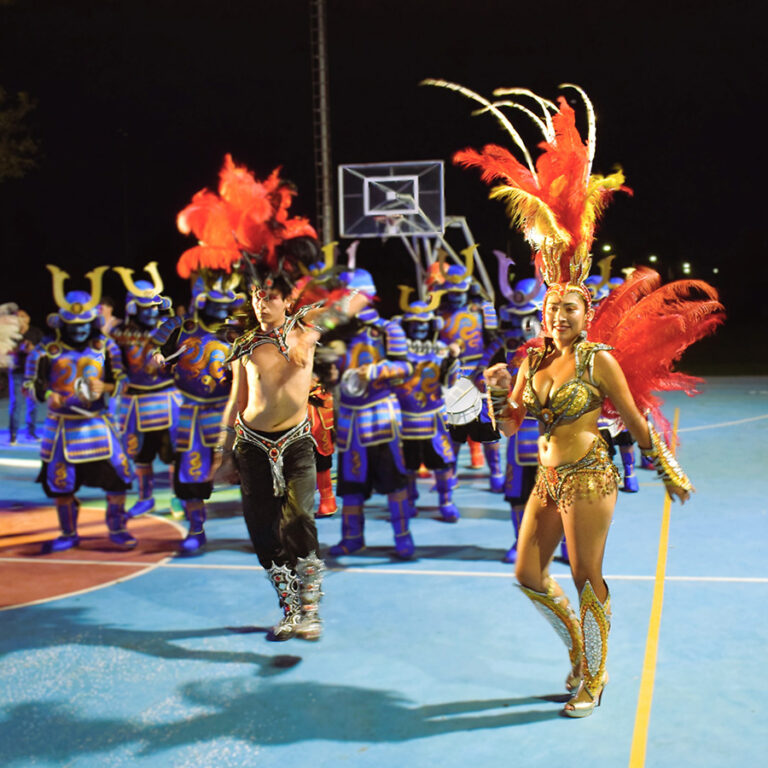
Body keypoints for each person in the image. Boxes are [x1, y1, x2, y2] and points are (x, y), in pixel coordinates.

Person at [434, 78, 724, 717]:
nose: (558, 315)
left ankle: (594, 676)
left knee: (586, 575)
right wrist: (480, 406)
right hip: (545, 476)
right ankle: (578, 650)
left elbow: (636, 420)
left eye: (569, 308)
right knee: (526, 576)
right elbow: (511, 425)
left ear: (585, 312)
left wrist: (666, 467)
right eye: (552, 307)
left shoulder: (598, 360)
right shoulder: (533, 359)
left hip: (589, 475)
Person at [213, 261, 369, 641]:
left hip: (296, 443)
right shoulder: (244, 345)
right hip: (251, 446)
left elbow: (361, 294)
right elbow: (237, 399)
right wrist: (224, 450)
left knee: (299, 519)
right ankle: (290, 609)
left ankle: (311, 611)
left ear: (286, 300)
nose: (260, 304)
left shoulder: (307, 332)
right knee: (263, 531)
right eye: (256, 296)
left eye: (269, 297)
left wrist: (323, 296)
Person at [24, 266, 136, 553]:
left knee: (119, 475)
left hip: (98, 423)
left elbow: (124, 381)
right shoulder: (45, 350)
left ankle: (117, 527)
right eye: (73, 325)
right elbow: (29, 384)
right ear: (61, 323)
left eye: (84, 323)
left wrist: (106, 387)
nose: (80, 330)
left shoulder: (106, 347)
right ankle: (68, 532)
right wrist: (48, 394)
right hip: (61, 426)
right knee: (60, 483)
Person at [4, 308, 43, 443]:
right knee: (16, 404)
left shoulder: (36, 332)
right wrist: (18, 350)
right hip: (17, 372)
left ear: (28, 318)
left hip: (33, 372)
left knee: (33, 403)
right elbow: (4, 352)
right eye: (17, 316)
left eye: (23, 316)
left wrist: (33, 349)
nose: (20, 319)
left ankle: (31, 433)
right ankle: (13, 434)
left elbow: (45, 350)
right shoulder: (9, 333)